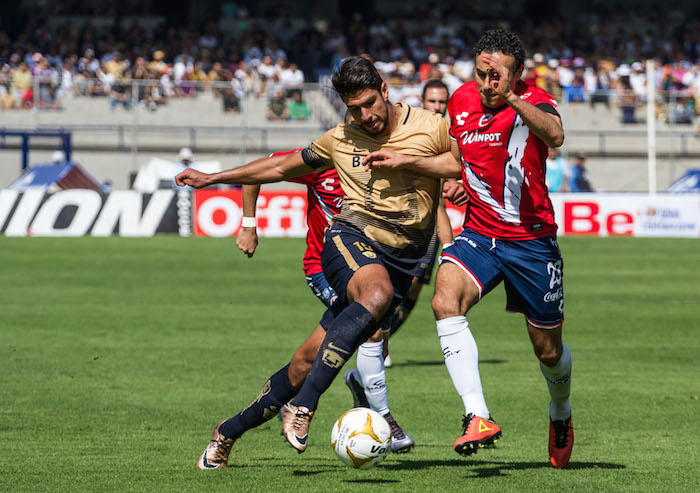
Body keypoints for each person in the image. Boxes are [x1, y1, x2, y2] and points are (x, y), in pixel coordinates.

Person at [176, 56, 456, 467]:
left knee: (306, 361)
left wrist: (407, 161)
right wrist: (212, 179)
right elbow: (276, 165)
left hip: (402, 261)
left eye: (369, 103)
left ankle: (228, 431)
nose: (364, 116)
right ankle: (305, 406)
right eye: (353, 108)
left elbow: (456, 164)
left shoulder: (431, 126)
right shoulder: (339, 140)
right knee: (375, 299)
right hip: (347, 241)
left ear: (384, 88)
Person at [363, 29, 574, 469]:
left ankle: (560, 413)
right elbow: (458, 159)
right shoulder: (460, 100)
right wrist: (409, 161)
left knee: (548, 351)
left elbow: (554, 136)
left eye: (495, 74)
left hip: (531, 241)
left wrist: (513, 97)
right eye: (480, 73)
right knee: (444, 301)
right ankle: (477, 415)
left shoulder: (534, 99)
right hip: (479, 235)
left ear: (516, 74)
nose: (485, 83)